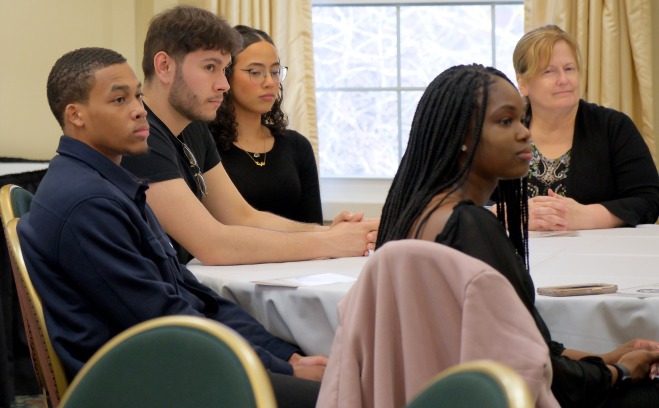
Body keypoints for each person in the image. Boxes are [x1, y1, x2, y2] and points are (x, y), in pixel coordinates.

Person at [18, 47, 326, 408]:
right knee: (343, 396)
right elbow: (163, 319)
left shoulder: (109, 182)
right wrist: (284, 370)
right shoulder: (88, 202)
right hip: (140, 383)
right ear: (76, 115)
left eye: (136, 95)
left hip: (168, 360)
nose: (138, 109)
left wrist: (284, 357)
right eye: (119, 99)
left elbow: (192, 296)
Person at [376, 64, 659, 407]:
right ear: (462, 138)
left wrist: (604, 357)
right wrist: (620, 373)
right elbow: (534, 373)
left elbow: (516, 344)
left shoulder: (418, 212)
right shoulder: (468, 226)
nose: (526, 133)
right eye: (506, 121)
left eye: (522, 120)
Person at [121, 6, 375, 265]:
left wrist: (330, 232)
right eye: (210, 67)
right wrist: (332, 242)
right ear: (164, 66)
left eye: (224, 69)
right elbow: (214, 245)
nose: (224, 84)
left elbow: (242, 216)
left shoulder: (193, 127)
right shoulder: (138, 137)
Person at [512, 24, 659, 231]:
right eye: (549, 71)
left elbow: (649, 200)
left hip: (599, 258)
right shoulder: (502, 133)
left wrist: (588, 216)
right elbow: (463, 203)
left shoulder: (613, 127)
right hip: (515, 259)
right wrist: (508, 215)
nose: (564, 80)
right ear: (523, 83)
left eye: (569, 69)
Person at [209, 25, 323, 225]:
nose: (270, 82)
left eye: (275, 72)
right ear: (226, 76)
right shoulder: (205, 147)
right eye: (256, 72)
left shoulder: (297, 146)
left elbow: (314, 227)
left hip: (300, 255)